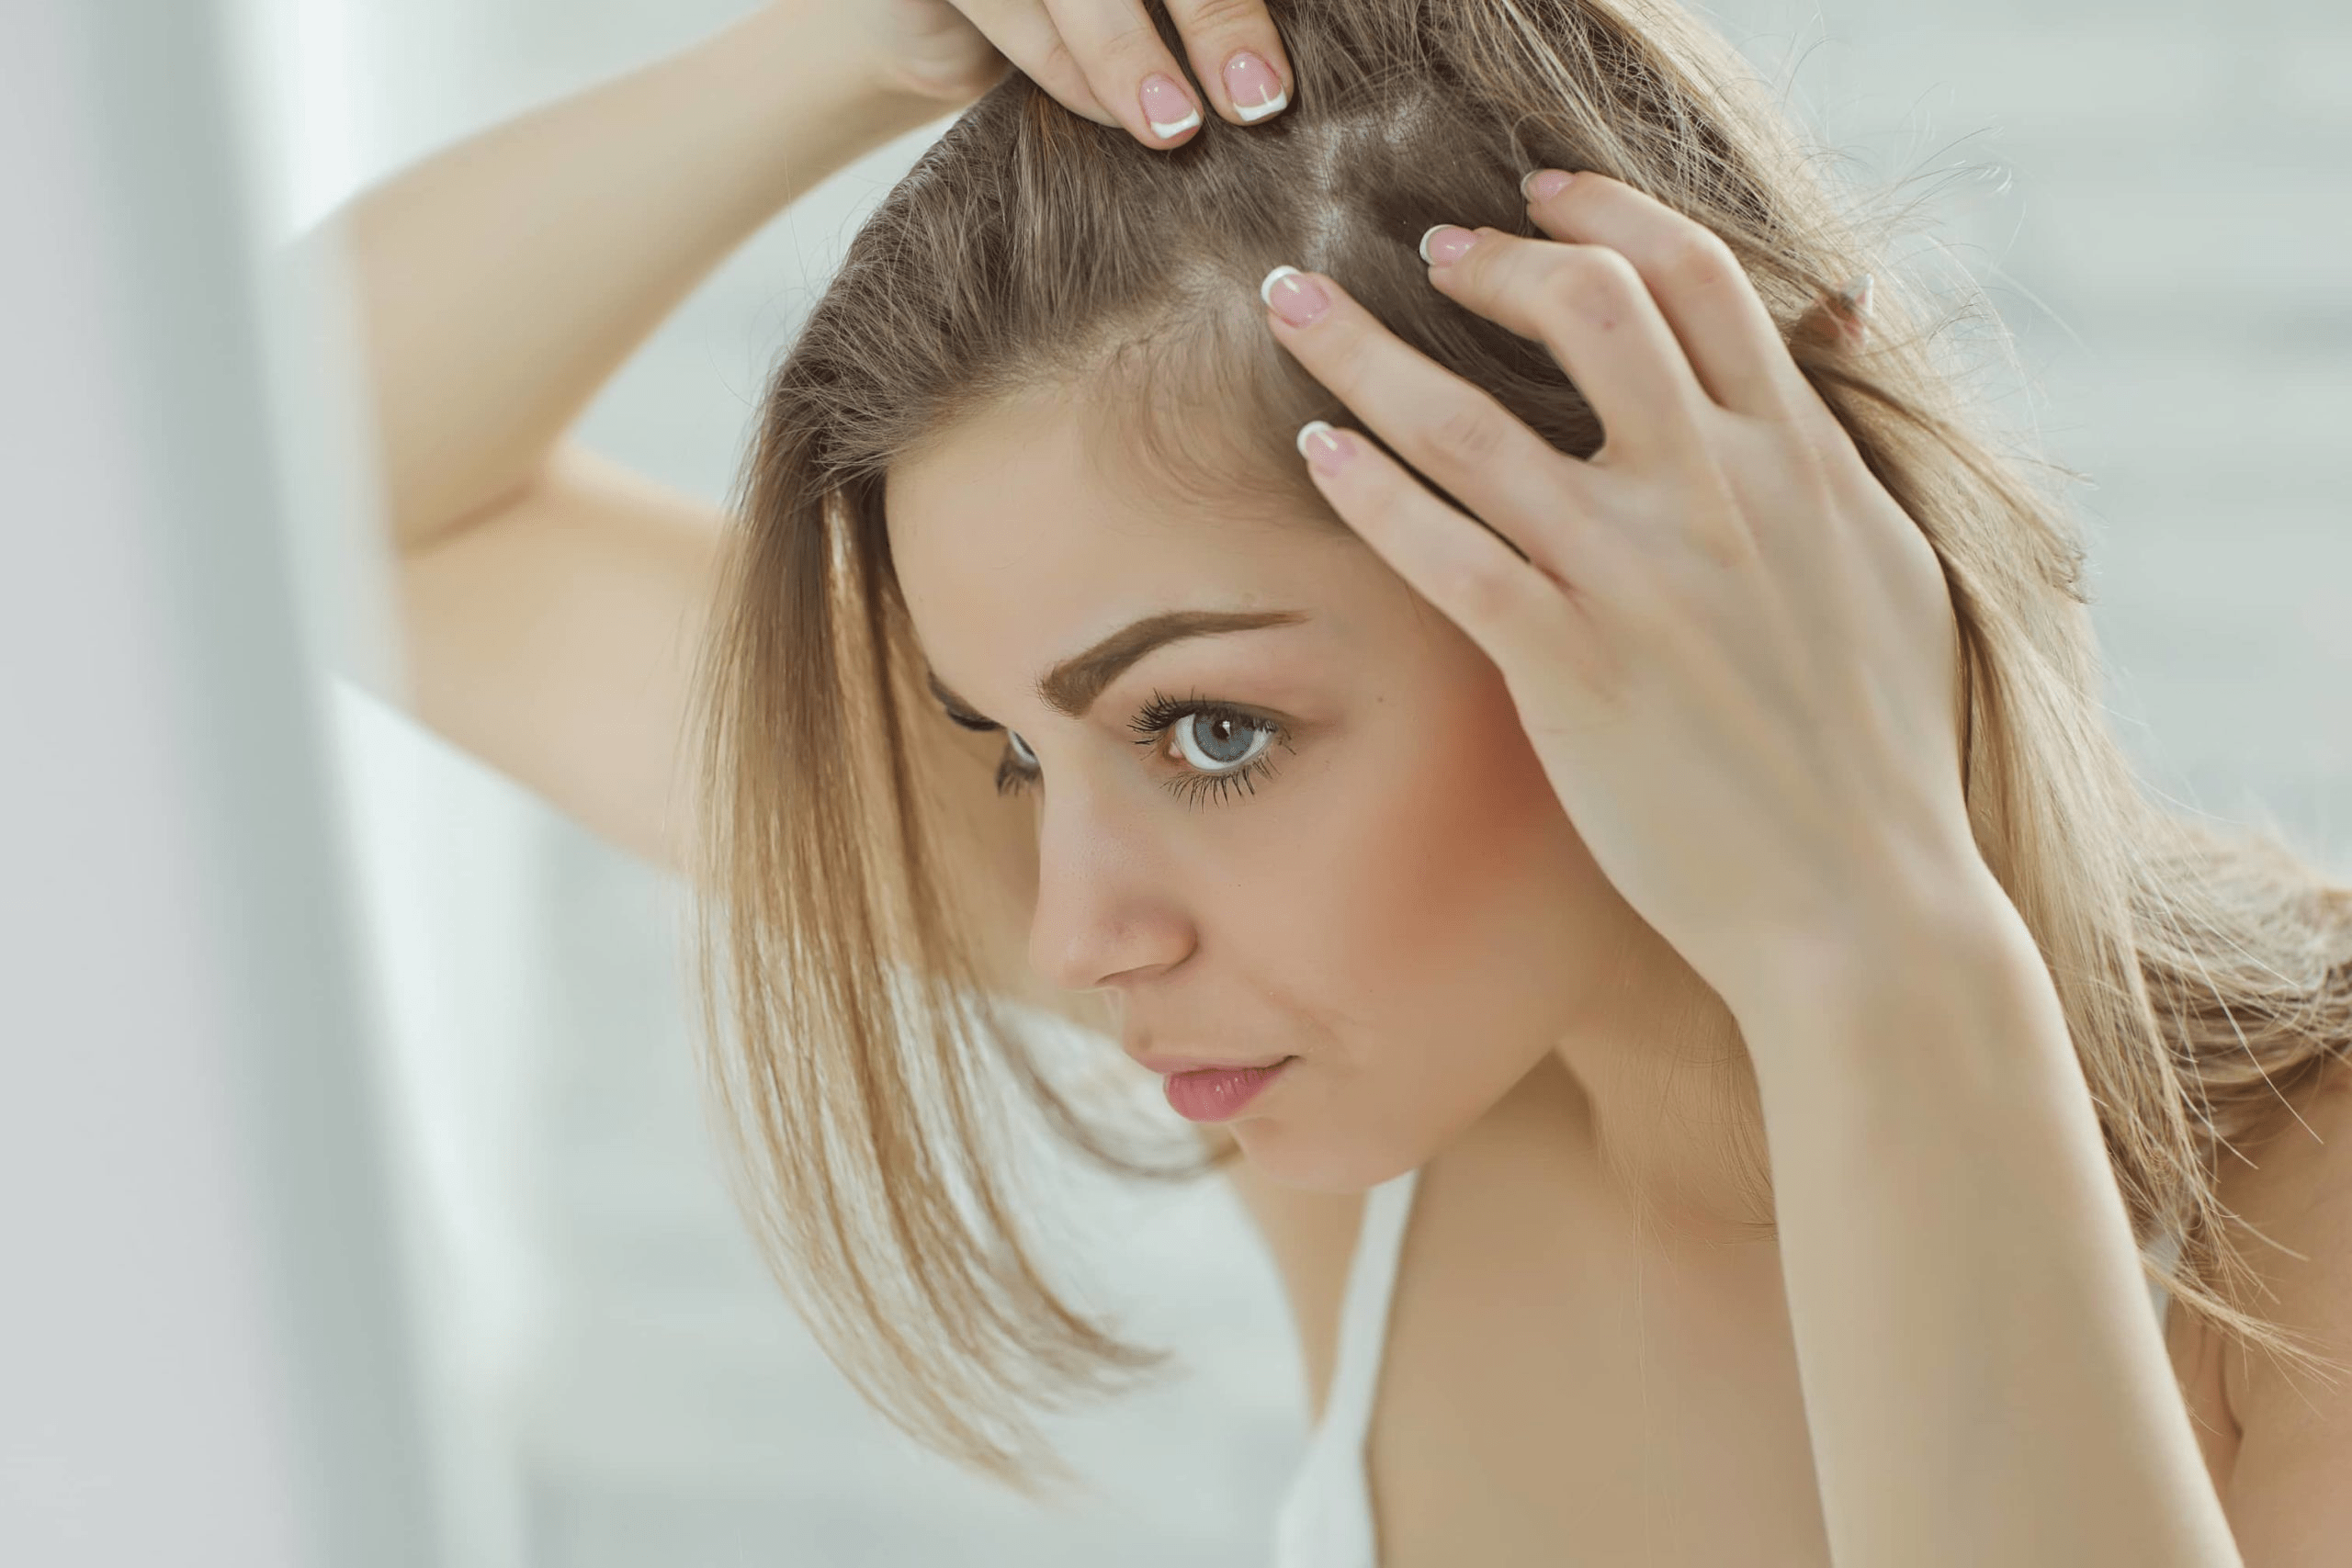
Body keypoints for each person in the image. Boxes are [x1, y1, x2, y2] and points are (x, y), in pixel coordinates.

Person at [331, 0, 2352, 1560]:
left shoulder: (2309, 1198)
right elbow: (310, 507)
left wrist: (1874, 945)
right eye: (1005, 748)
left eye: (1209, 730)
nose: (1075, 926)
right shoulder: (1400, 1081)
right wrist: (851, 47)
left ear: (1749, 509)